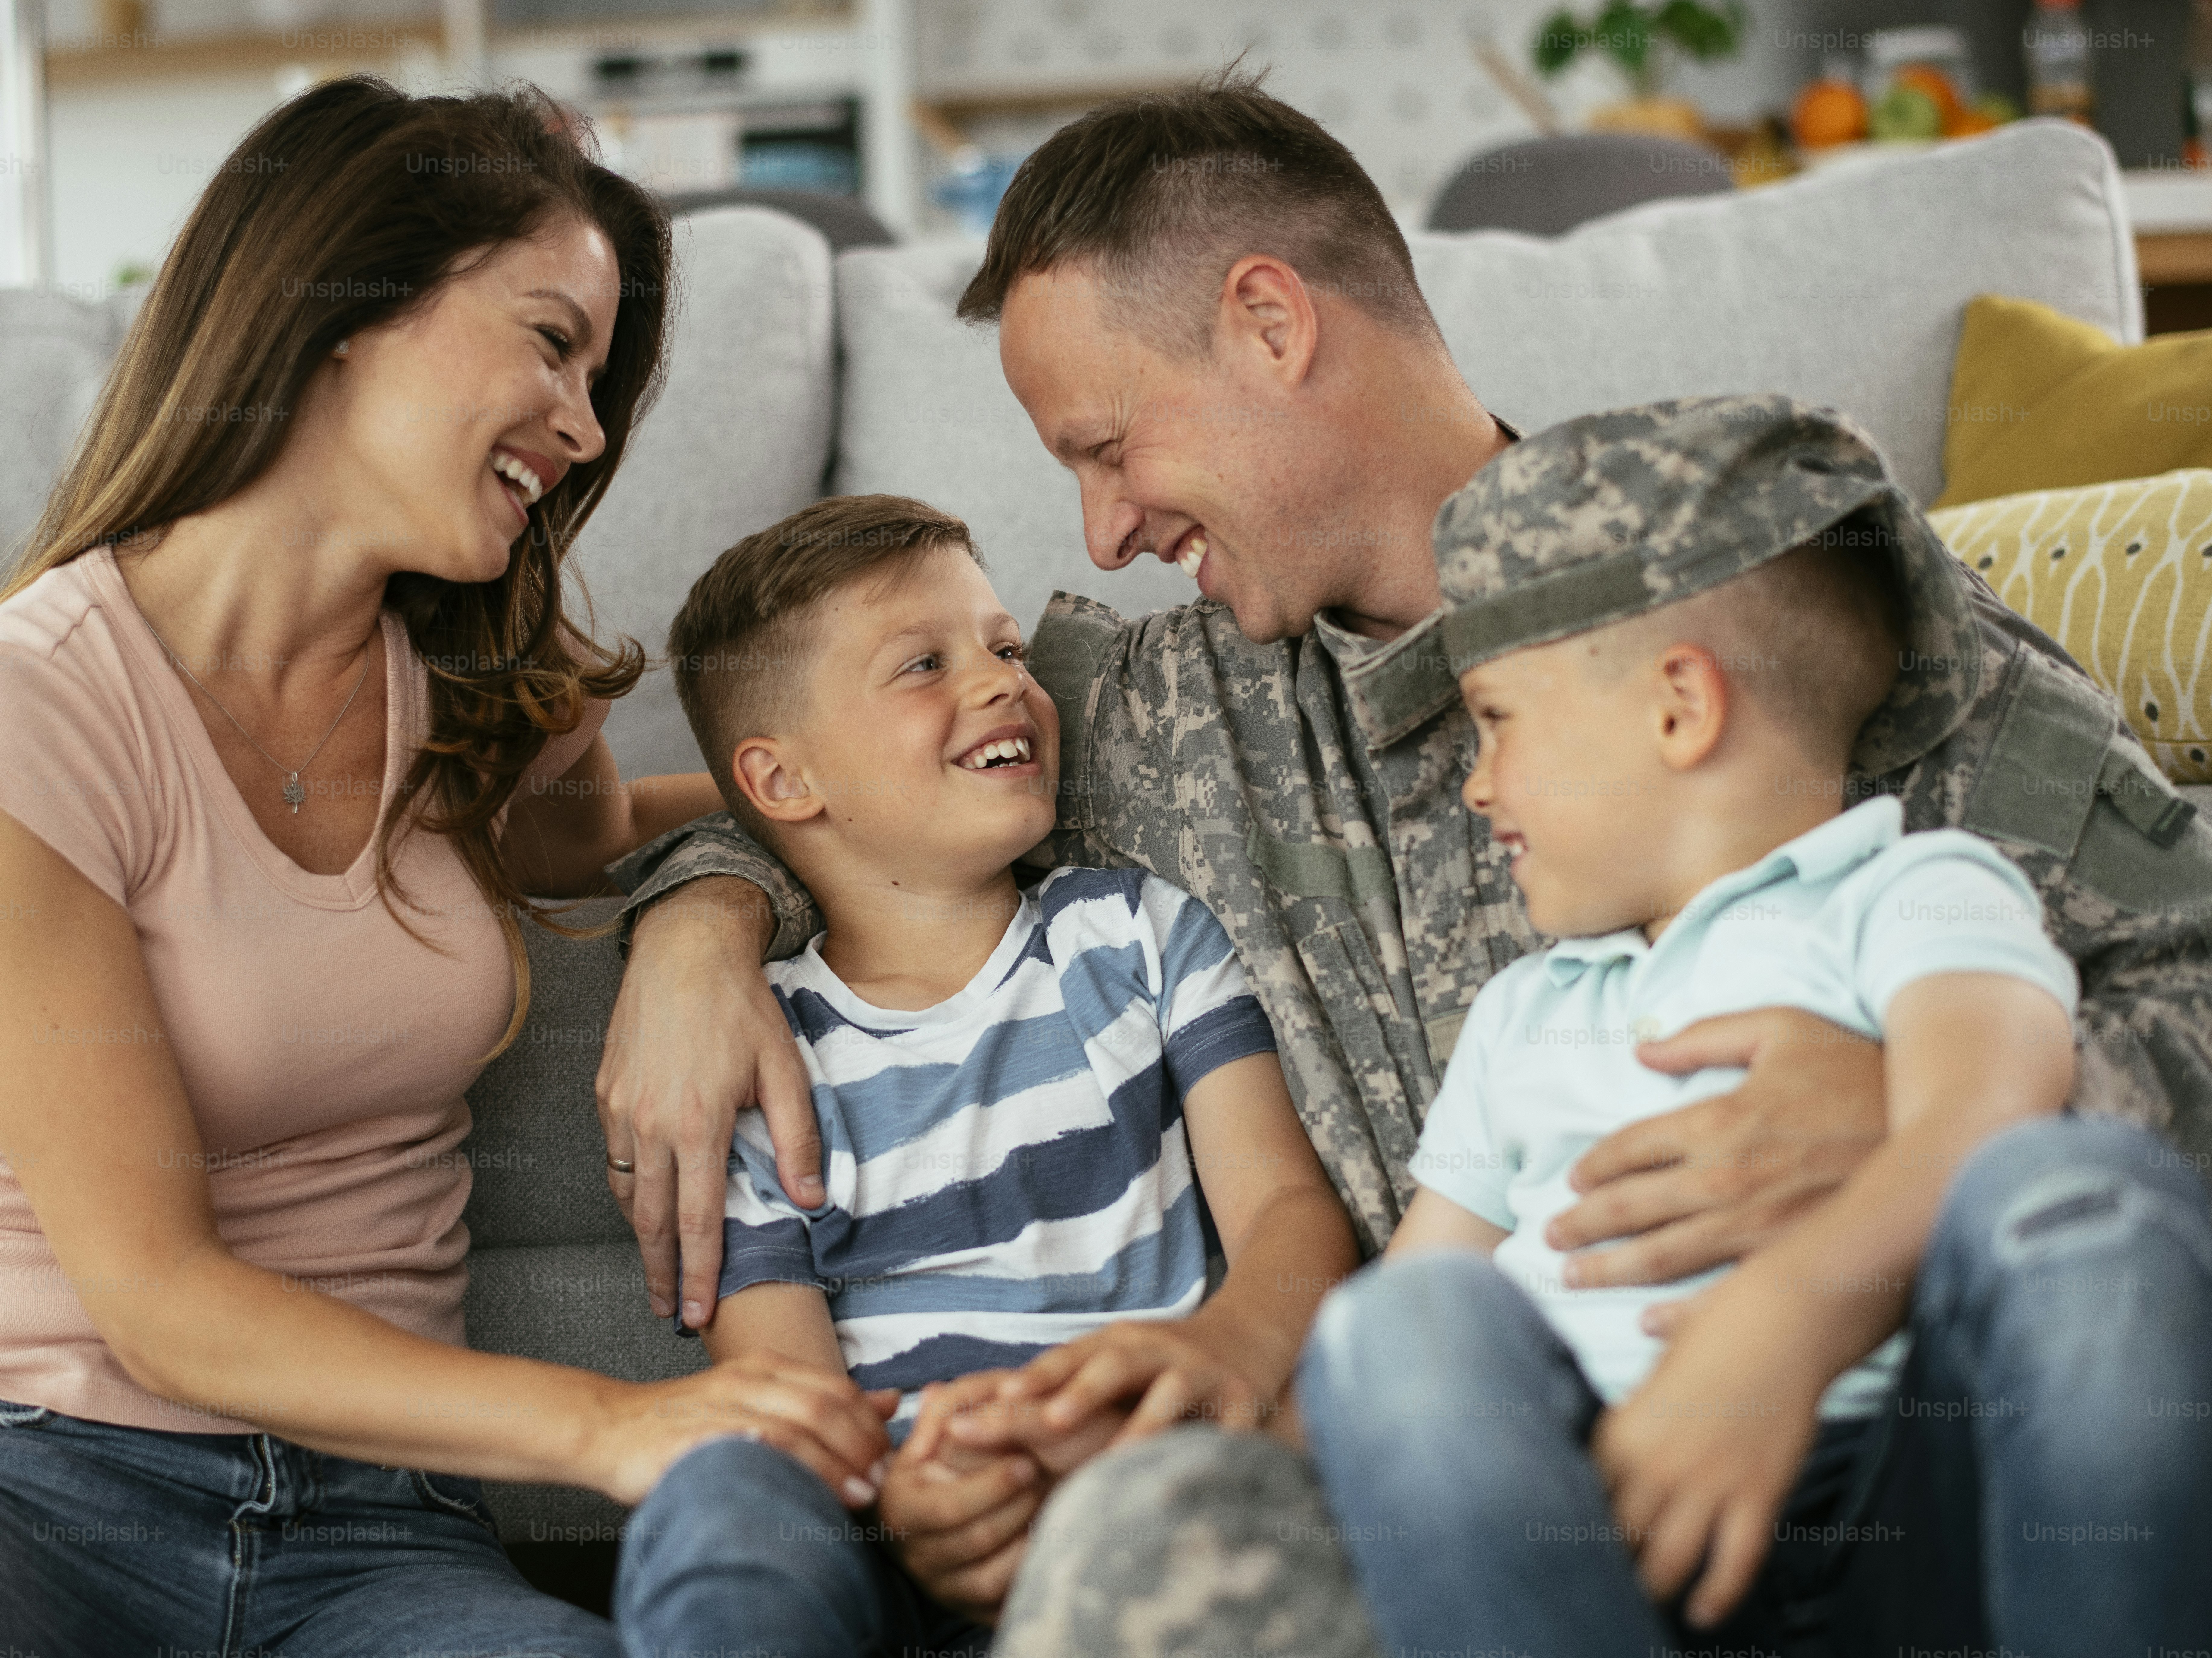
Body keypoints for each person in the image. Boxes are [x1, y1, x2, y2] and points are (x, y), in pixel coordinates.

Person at [592, 68, 2212, 1648]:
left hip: (1910, 1436)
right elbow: (821, 789)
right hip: (1472, 1470)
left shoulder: (1752, 598)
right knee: (1147, 1568)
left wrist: (1925, 1113)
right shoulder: (1154, 711)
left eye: (1107, 449)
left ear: (1272, 325)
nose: (1100, 535)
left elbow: (2183, 984)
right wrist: (699, 934)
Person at [0, 77, 895, 1658]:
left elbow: (658, 825)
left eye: (595, 377)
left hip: (379, 1521)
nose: (581, 429)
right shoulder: (15, 715)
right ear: (347, 306)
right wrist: (612, 1429)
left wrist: (715, 912)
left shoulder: (468, 690)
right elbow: (155, 1297)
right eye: (551, 343)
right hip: (21, 1484)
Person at [1290, 396, 2212, 1656]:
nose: (1475, 781)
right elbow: (1415, 1310)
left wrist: (1774, 1333)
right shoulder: (1527, 1012)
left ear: (1680, 706)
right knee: (1393, 1329)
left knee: (2077, 1190)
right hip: (1608, 1546)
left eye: (1497, 719)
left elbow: (1985, 1119)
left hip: (1913, 1499)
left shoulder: (1926, 888)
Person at [608, 494, 1357, 1657]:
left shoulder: (1140, 940)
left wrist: (1223, 1364)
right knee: (725, 1495)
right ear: (784, 780)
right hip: (902, 1530)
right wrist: (909, 1509)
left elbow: (1291, 1215)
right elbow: (785, 1389)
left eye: (1006, 648)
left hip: (1151, 1494)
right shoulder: (758, 1058)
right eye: (926, 665)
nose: (1008, 679)